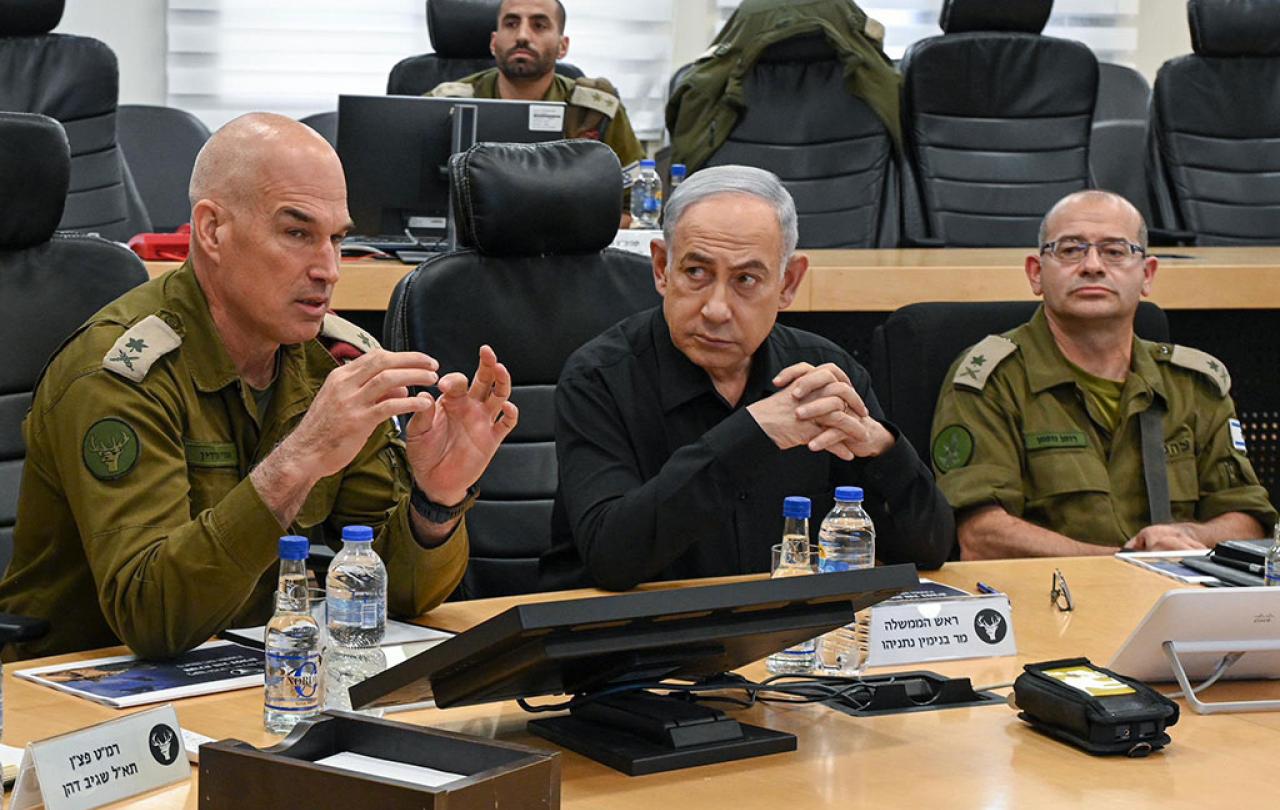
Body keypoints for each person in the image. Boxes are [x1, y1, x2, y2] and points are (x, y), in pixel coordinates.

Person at [0, 113, 518, 660]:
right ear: (212, 230)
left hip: (250, 671)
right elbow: (153, 619)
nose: (329, 269)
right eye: (297, 233)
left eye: (337, 239)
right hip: (78, 694)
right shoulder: (120, 374)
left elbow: (398, 595)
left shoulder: (330, 362)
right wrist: (301, 457)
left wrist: (434, 503)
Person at [540, 166, 954, 591]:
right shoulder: (599, 378)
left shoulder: (823, 374)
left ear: (787, 283)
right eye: (697, 273)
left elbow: (931, 548)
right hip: (634, 643)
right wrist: (753, 433)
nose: (716, 308)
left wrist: (881, 450)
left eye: (746, 280)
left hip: (784, 642)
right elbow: (612, 558)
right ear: (663, 268)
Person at [930, 190, 1275, 559]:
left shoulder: (1195, 384)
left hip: (1179, 601)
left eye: (1115, 251)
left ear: (1147, 275)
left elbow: (1249, 521)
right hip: (1049, 603)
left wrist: (1191, 535)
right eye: (1070, 249)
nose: (1092, 265)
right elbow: (982, 537)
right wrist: (1123, 563)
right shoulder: (993, 380)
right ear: (1035, 273)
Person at [426, 0, 646, 222]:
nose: (522, 35)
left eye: (539, 26)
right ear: (494, 43)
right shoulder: (446, 104)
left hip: (566, 250)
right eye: (511, 24)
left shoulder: (594, 111)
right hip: (462, 245)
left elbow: (633, 206)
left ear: (563, 46)